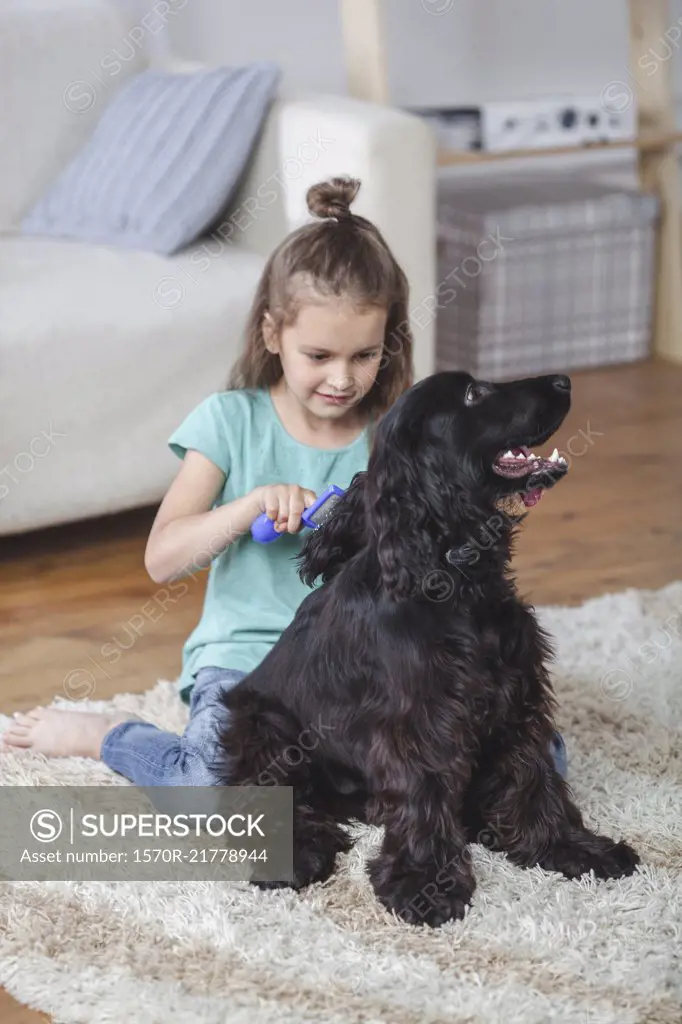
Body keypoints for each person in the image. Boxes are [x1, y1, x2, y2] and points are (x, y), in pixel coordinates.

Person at [1, 176, 568, 784]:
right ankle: (110, 737)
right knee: (217, 793)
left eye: (365, 356)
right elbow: (163, 559)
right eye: (319, 356)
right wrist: (246, 508)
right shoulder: (231, 421)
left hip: (364, 670)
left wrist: (510, 482)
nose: (343, 379)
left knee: (540, 769)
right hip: (249, 671)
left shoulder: (393, 437)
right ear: (274, 334)